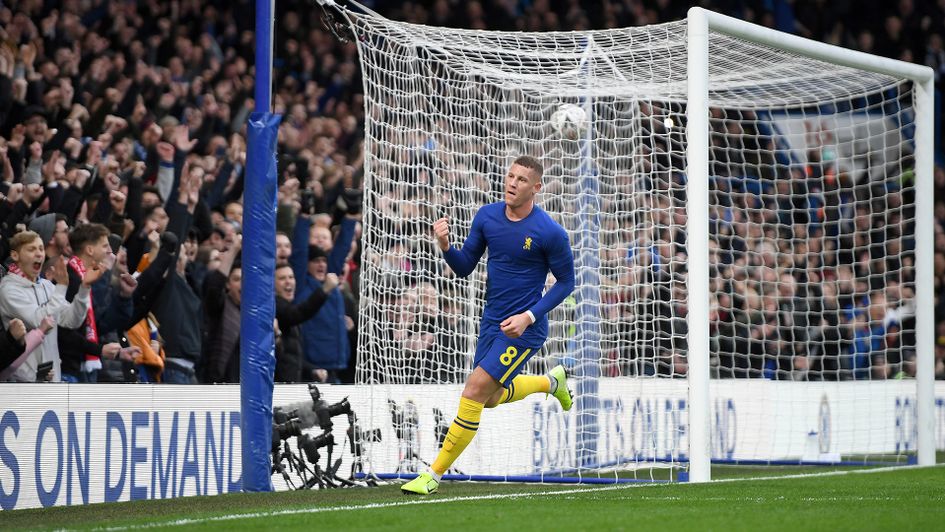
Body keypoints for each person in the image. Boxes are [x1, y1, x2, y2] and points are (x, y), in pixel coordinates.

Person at [401, 155, 576, 495]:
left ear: (536, 188)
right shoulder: (487, 217)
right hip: (492, 322)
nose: (512, 183)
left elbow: (566, 283)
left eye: (522, 179)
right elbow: (465, 266)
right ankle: (550, 384)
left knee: (473, 391)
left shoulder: (550, 232)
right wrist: (446, 246)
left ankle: (433, 475)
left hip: (525, 328)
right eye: (510, 176)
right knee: (491, 398)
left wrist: (529, 317)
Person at [0, 231, 101, 382]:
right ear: (15, 256)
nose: (39, 254)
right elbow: (38, 320)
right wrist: (60, 287)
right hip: (22, 385)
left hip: (52, 380)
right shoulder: (9, 289)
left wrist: (84, 288)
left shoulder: (46, 286)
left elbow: (71, 320)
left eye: (41, 248)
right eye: (31, 249)